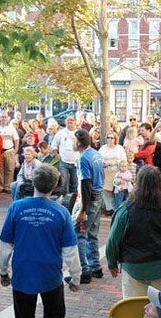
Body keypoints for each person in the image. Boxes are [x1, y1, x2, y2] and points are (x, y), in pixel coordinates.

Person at [0, 164, 81, 318]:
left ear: (33, 182)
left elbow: (5, 246)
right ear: (55, 185)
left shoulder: (16, 208)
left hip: (23, 273)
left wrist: (3, 272)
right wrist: (75, 277)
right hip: (51, 275)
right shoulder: (61, 212)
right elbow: (70, 250)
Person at [106, 166, 161, 298]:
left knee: (134, 305)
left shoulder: (127, 209)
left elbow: (113, 240)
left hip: (136, 265)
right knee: (157, 306)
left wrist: (112, 263)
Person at [71, 128, 105, 284]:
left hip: (90, 199)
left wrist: (82, 210)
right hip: (99, 196)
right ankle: (96, 267)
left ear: (78, 142)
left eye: (73, 140)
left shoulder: (83, 158)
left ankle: (84, 271)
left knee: (78, 233)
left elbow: (86, 183)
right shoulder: (95, 153)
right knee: (92, 233)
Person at [51, 116, 80, 197]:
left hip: (76, 162)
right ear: (65, 122)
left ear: (75, 122)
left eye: (72, 120)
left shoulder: (79, 133)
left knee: (75, 182)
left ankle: (73, 199)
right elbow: (54, 145)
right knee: (63, 182)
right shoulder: (60, 133)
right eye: (68, 120)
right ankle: (63, 199)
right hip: (63, 162)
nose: (70, 122)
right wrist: (57, 155)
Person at [99, 132, 127, 214]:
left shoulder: (119, 148)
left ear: (115, 139)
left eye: (112, 138)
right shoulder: (103, 148)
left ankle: (118, 208)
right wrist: (105, 163)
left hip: (117, 172)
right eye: (108, 137)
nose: (110, 139)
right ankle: (110, 208)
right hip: (106, 171)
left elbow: (123, 159)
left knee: (117, 191)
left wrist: (114, 162)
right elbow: (99, 158)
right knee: (106, 191)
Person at [0, 113, 20, 194]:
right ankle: (0, 186)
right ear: (0, 117)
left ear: (8, 118)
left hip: (9, 150)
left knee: (9, 169)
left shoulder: (11, 128)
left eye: (5, 117)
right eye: (2, 116)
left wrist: (16, 150)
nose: (3, 118)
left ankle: (8, 187)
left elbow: (16, 139)